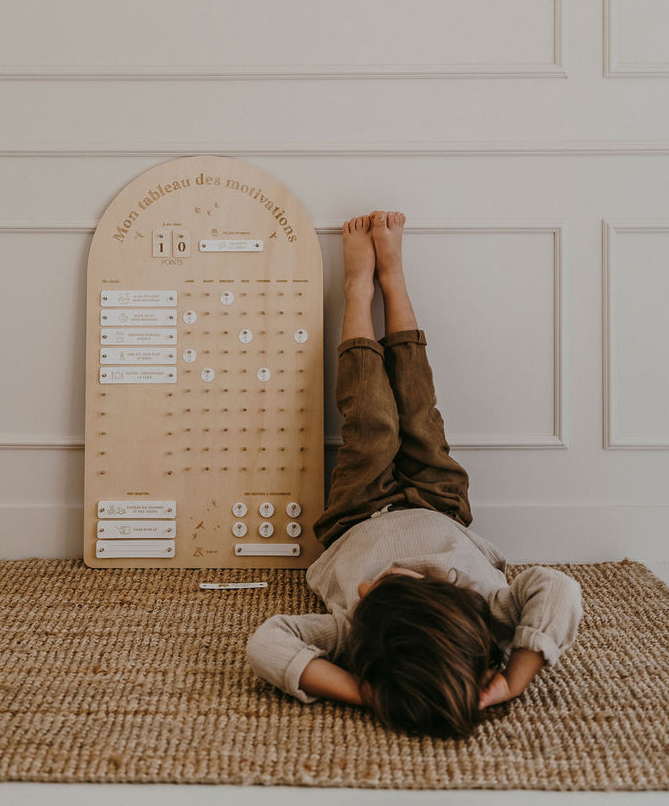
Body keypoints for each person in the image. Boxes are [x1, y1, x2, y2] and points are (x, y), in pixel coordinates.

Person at [246, 212, 583, 738]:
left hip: (358, 513)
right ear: (444, 598)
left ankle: (358, 290)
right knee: (419, 406)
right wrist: (515, 679)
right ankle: (394, 279)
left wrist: (365, 691)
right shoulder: (488, 611)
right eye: (382, 583)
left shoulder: (356, 632)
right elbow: (557, 588)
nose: (362, 586)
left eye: (365, 597)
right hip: (440, 504)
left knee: (372, 419)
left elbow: (267, 644)